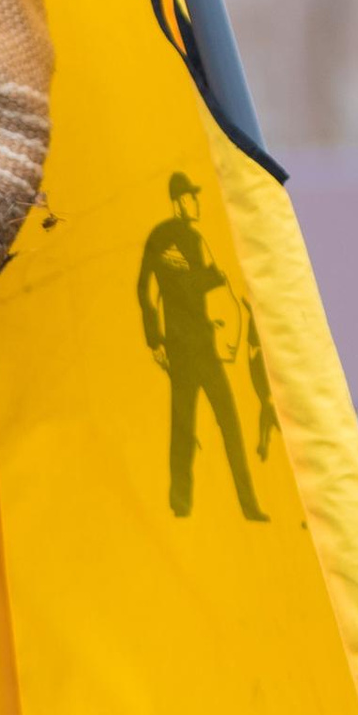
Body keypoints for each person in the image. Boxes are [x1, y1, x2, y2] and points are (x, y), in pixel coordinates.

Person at [136, 171, 267, 521]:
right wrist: (155, 341)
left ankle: (248, 504)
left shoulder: (195, 239)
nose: (196, 202)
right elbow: (151, 287)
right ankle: (180, 507)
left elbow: (205, 286)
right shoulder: (164, 238)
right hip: (180, 348)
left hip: (204, 345)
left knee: (230, 423)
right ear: (178, 201)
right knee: (183, 428)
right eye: (191, 197)